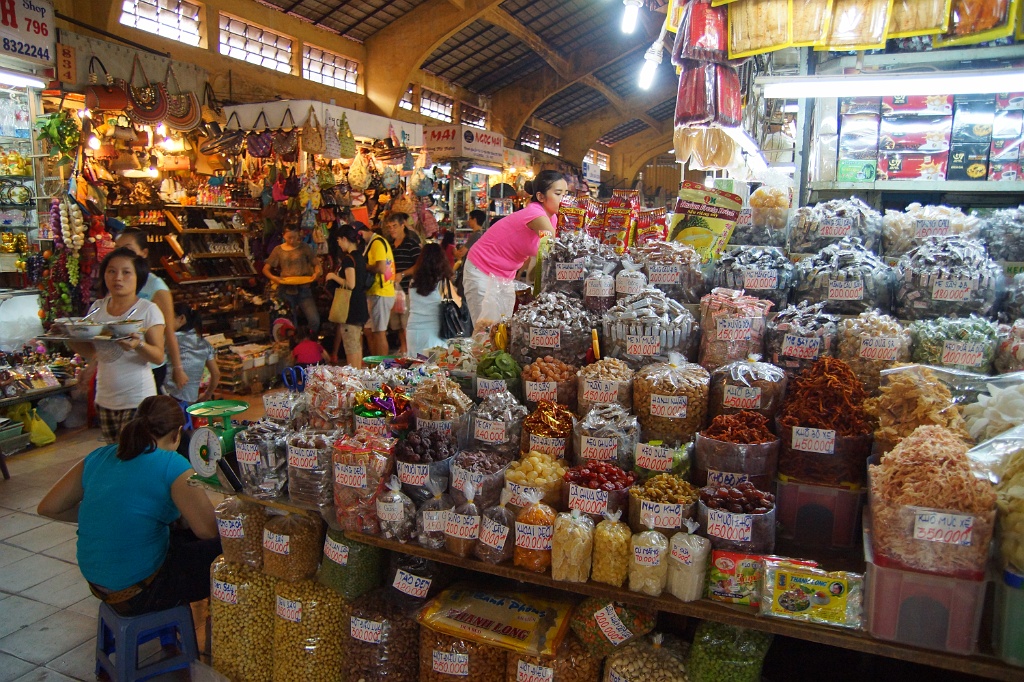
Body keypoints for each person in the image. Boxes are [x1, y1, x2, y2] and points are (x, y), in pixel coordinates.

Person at [37, 395, 221, 616]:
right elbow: (208, 530)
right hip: (140, 591)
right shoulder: (173, 465)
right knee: (227, 548)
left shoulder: (100, 456)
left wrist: (105, 514)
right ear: (177, 433)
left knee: (178, 533)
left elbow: (48, 507)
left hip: (98, 583)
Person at [66, 247, 166, 443]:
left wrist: (138, 345)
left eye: (126, 272)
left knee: (134, 456)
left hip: (137, 399)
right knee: (115, 455)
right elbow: (94, 351)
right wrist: (68, 336)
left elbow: (158, 356)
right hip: (105, 398)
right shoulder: (97, 309)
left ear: (138, 277)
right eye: (111, 271)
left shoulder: (148, 310)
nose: (117, 278)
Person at [464, 171, 567, 329]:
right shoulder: (535, 213)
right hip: (482, 269)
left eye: (566, 194)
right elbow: (556, 246)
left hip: (505, 277)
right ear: (540, 197)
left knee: (503, 330)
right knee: (485, 330)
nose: (564, 199)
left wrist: (520, 271)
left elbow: (530, 249)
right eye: (559, 193)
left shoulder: (552, 218)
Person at [115, 229, 186, 393]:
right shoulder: (116, 284)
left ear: (144, 253)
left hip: (149, 366)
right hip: (120, 365)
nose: (122, 255)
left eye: (128, 250)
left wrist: (177, 368)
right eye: (117, 249)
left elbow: (169, 331)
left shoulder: (156, 287)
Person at [262, 223, 323, 336]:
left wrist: (317, 273)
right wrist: (275, 278)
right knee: (290, 321)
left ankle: (309, 340)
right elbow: (266, 269)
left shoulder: (304, 247)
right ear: (283, 236)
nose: (292, 240)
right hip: (286, 289)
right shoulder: (278, 250)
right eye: (289, 237)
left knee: (314, 319)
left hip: (304, 288)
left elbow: (316, 264)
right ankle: (294, 344)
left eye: (295, 237)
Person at [406, 243, 460, 356]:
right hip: (434, 332)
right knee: (433, 369)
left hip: (413, 331)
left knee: (414, 365)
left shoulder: (413, 282)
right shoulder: (443, 283)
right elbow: (458, 304)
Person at [326, 224, 368, 368]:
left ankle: (354, 376)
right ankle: (357, 374)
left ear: (344, 239)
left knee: (351, 345)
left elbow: (350, 284)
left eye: (338, 240)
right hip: (360, 304)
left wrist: (333, 276)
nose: (338, 243)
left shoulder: (348, 259)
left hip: (350, 307)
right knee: (356, 343)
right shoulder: (360, 257)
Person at [165, 302, 219, 406]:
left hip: (169, 398)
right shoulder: (204, 343)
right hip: (192, 400)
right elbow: (216, 373)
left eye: (168, 317)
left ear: (181, 319)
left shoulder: (168, 341)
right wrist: (207, 395)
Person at [386, 212, 422, 355]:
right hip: (392, 290)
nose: (392, 229)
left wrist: (402, 274)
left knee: (407, 322)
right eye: (389, 227)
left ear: (402, 226)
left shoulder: (411, 244)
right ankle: (403, 348)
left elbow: (419, 264)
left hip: (407, 289)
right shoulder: (389, 245)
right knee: (397, 323)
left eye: (395, 226)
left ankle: (410, 350)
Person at [360, 221, 395, 357]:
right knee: (371, 331)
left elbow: (380, 268)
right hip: (376, 292)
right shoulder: (372, 244)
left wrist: (365, 266)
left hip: (381, 292)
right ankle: (375, 365)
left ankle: (381, 366)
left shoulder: (377, 243)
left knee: (379, 332)